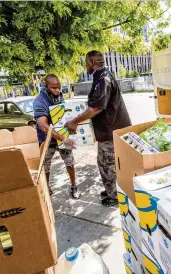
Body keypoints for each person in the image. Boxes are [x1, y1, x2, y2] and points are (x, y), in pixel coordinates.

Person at [65, 50, 132, 207]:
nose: (86, 65)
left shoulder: (103, 79)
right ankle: (112, 190)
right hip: (113, 129)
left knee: (106, 164)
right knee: (110, 163)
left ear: (92, 62)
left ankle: (114, 196)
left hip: (111, 131)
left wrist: (75, 121)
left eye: (86, 62)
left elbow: (96, 108)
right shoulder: (103, 76)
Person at [33, 74, 81, 199]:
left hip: (61, 136)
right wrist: (64, 139)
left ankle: (73, 186)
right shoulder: (39, 101)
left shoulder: (59, 96)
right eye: (54, 88)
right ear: (46, 87)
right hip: (47, 139)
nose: (57, 90)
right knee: (46, 166)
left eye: (59, 87)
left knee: (70, 162)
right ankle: (46, 187)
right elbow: (43, 126)